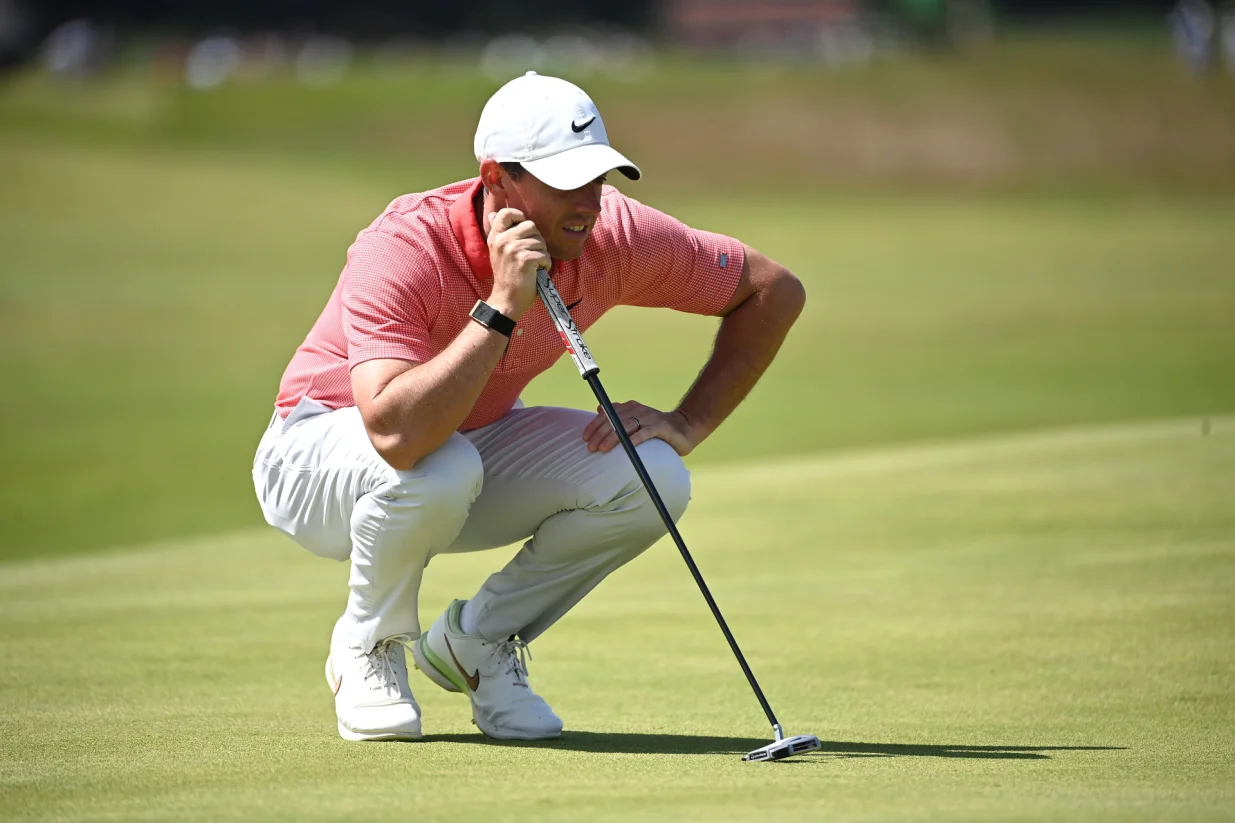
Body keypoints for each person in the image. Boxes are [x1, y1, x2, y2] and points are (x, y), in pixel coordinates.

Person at [252, 71, 805, 742]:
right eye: (563, 182)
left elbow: (773, 291)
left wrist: (687, 423)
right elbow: (396, 434)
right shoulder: (403, 244)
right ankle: (369, 644)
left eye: (596, 179)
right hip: (315, 459)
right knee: (439, 462)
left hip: (457, 451)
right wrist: (501, 306)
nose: (588, 203)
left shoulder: (614, 236)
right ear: (498, 178)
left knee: (653, 475)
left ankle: (477, 642)